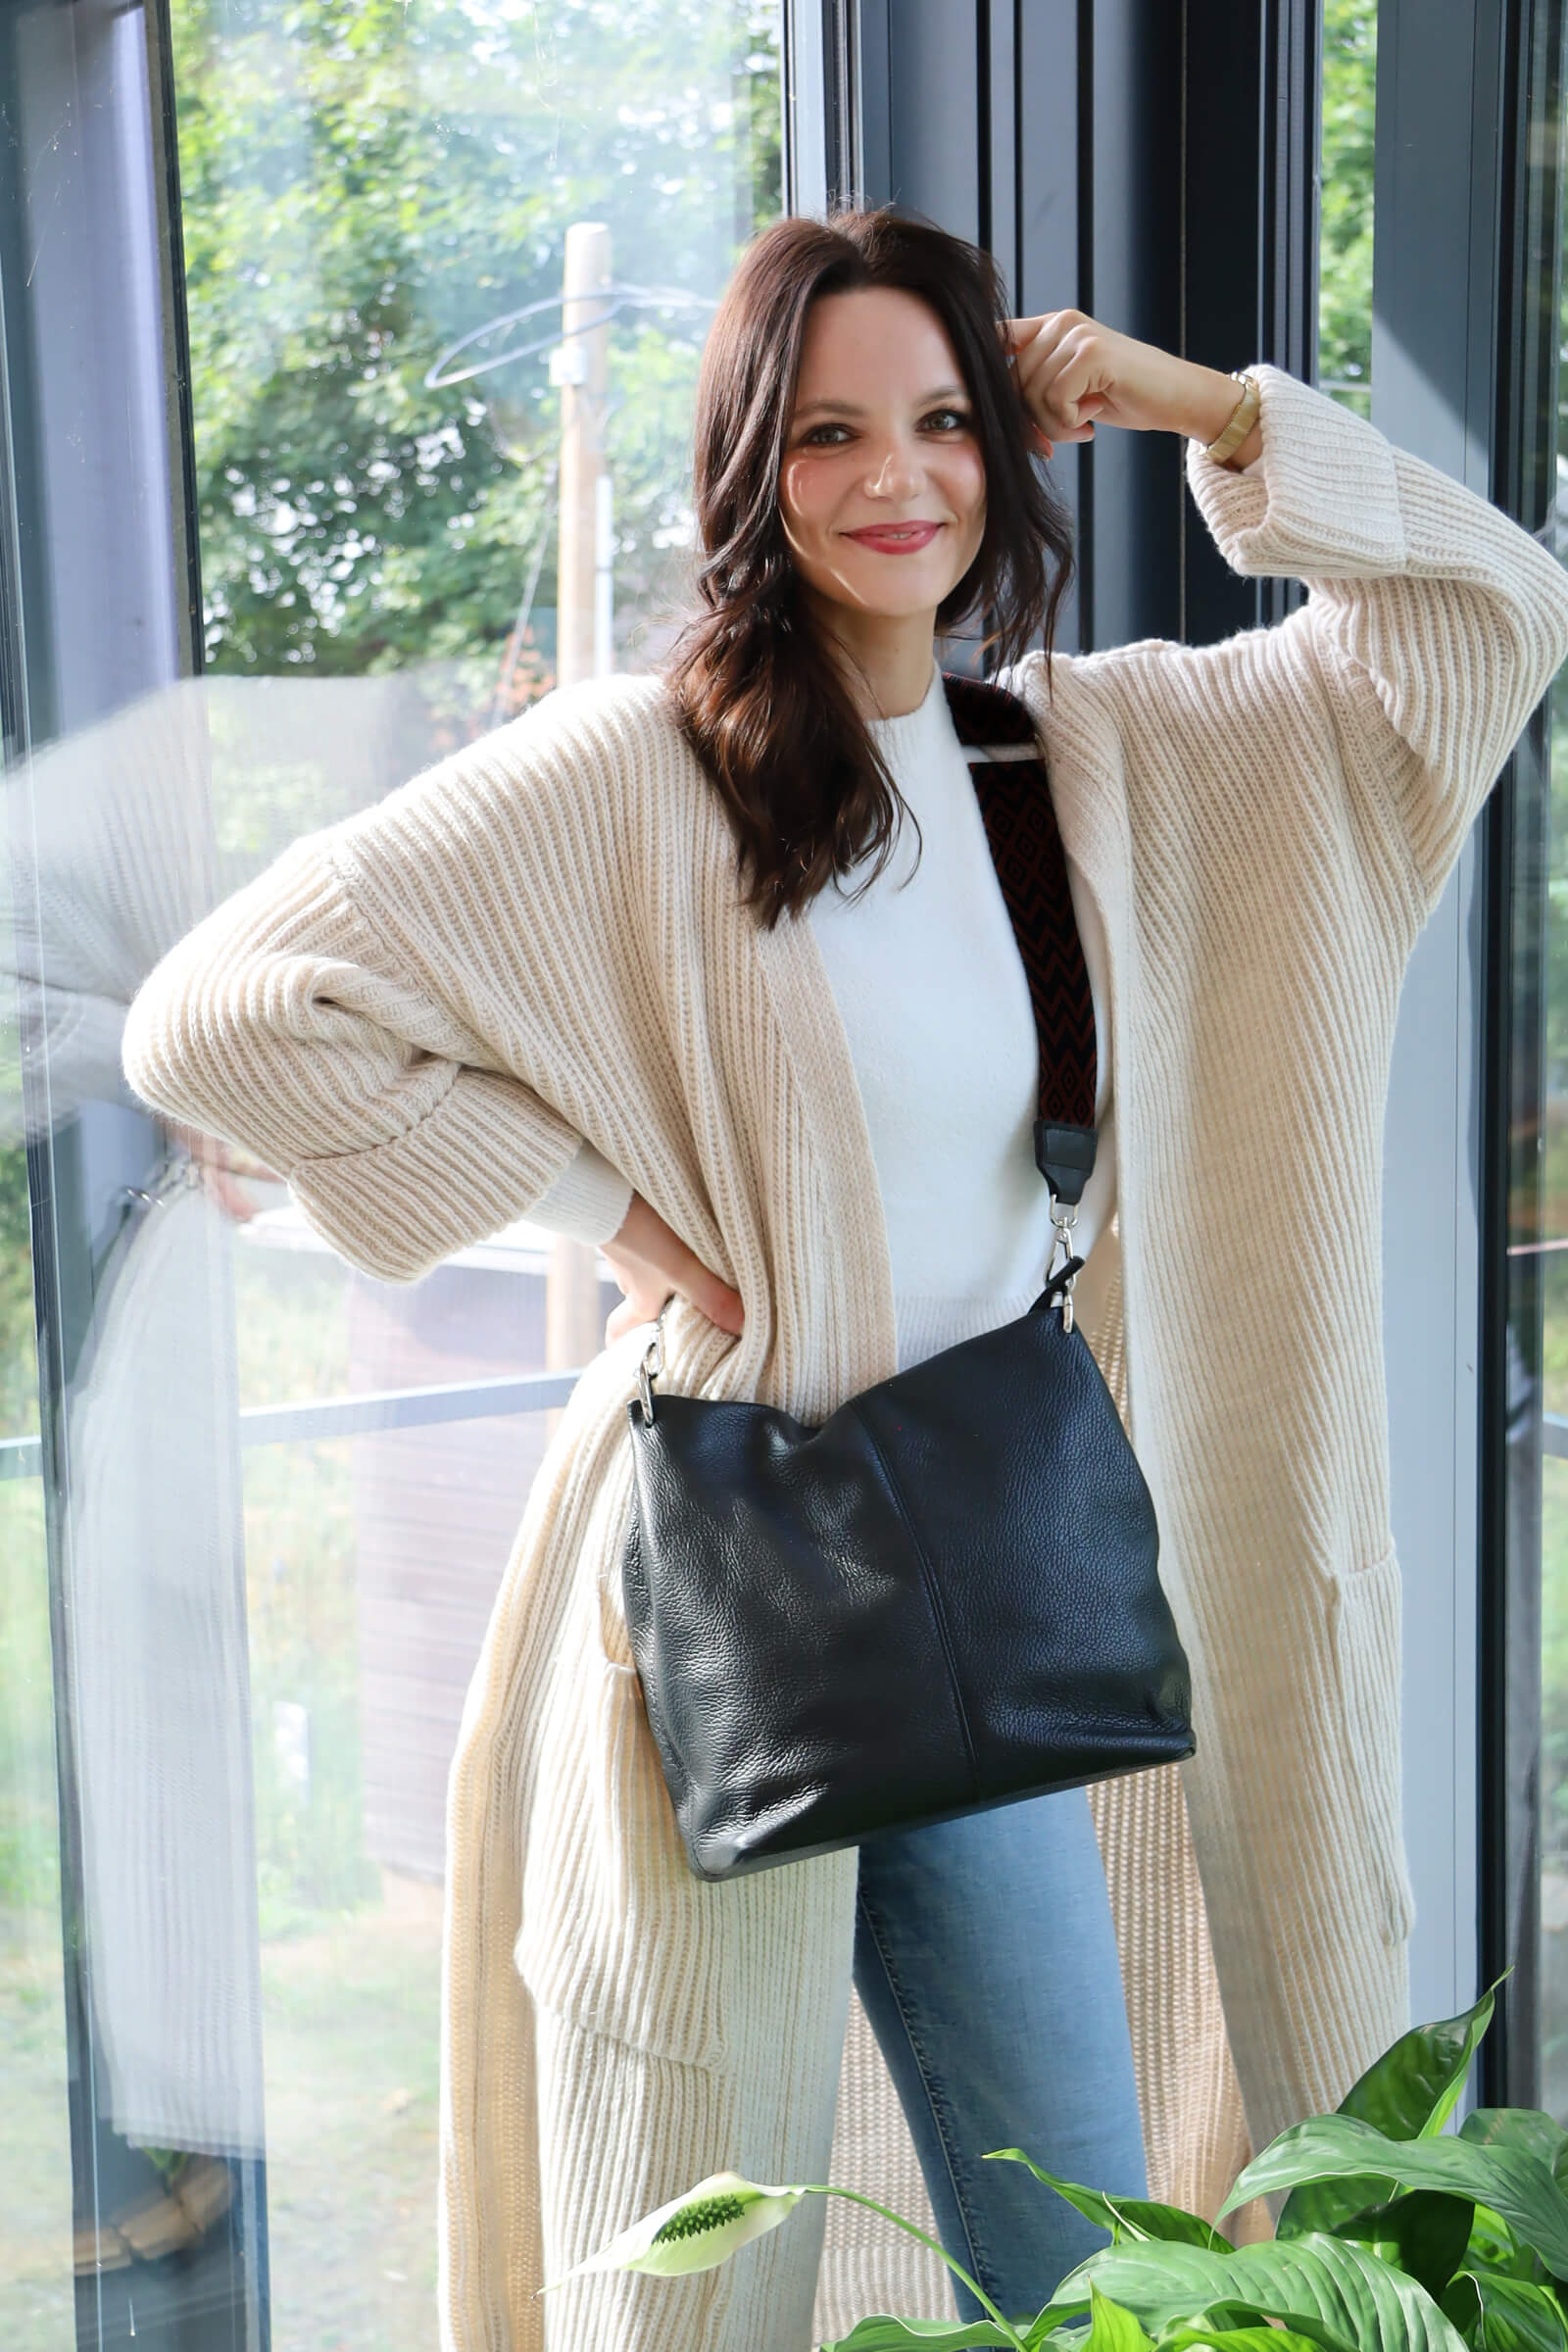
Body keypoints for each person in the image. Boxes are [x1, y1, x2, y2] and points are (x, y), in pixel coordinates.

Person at [122, 207, 1568, 2352]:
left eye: (942, 422)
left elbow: (1490, 614)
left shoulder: (1090, 762)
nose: (896, 479)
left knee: (1078, 2247)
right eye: (826, 433)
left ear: (1006, 444)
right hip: (727, 1580)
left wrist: (1194, 404)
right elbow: (223, 1015)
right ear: (749, 465)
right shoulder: (634, 770)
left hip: (984, 1573)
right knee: (695, 2248)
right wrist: (606, 1209)